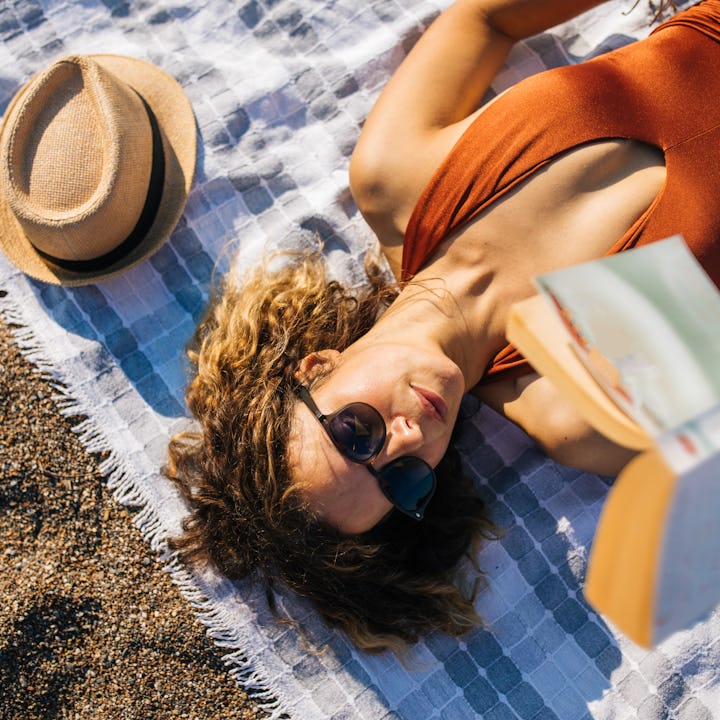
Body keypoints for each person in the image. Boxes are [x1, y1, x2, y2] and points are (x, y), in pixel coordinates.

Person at [165, 0, 720, 653]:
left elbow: (489, 19)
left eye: (356, 432)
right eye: (402, 481)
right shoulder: (578, 409)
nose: (407, 438)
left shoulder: (397, 179)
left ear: (317, 366)